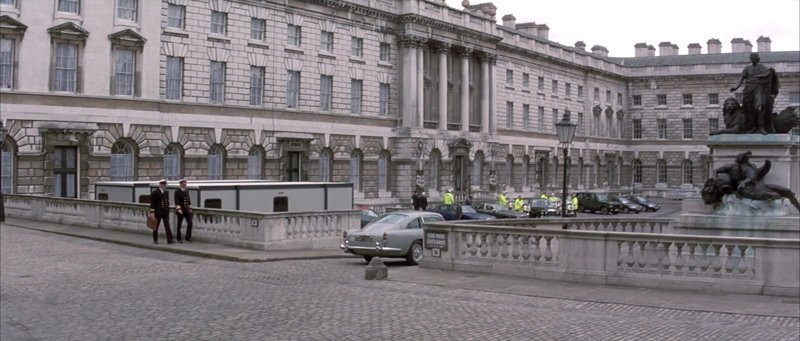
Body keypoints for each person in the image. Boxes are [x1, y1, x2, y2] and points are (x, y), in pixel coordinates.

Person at [730, 52, 779, 134]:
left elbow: (769, 75)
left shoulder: (763, 68)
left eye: (754, 58)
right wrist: (736, 87)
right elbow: (741, 79)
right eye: (751, 58)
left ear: (757, 59)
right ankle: (752, 127)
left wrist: (772, 71)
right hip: (748, 90)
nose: (753, 59)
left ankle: (761, 127)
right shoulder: (747, 68)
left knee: (759, 107)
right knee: (748, 110)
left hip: (758, 89)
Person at [149, 179, 174, 244]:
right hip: (158, 212)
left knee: (167, 226)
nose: (165, 186)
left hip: (165, 212)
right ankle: (155, 239)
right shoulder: (155, 192)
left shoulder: (166, 192)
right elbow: (152, 203)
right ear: (160, 185)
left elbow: (167, 202)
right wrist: (152, 212)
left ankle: (170, 240)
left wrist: (168, 209)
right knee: (156, 226)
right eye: (163, 184)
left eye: (165, 184)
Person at [174, 178, 193, 243]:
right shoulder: (177, 191)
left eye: (185, 183)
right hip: (181, 210)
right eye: (183, 183)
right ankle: (178, 238)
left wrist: (190, 208)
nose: (184, 184)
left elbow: (188, 200)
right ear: (180, 184)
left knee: (190, 223)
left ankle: (188, 237)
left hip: (187, 210)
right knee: (179, 224)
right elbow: (176, 201)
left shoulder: (187, 190)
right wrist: (178, 209)